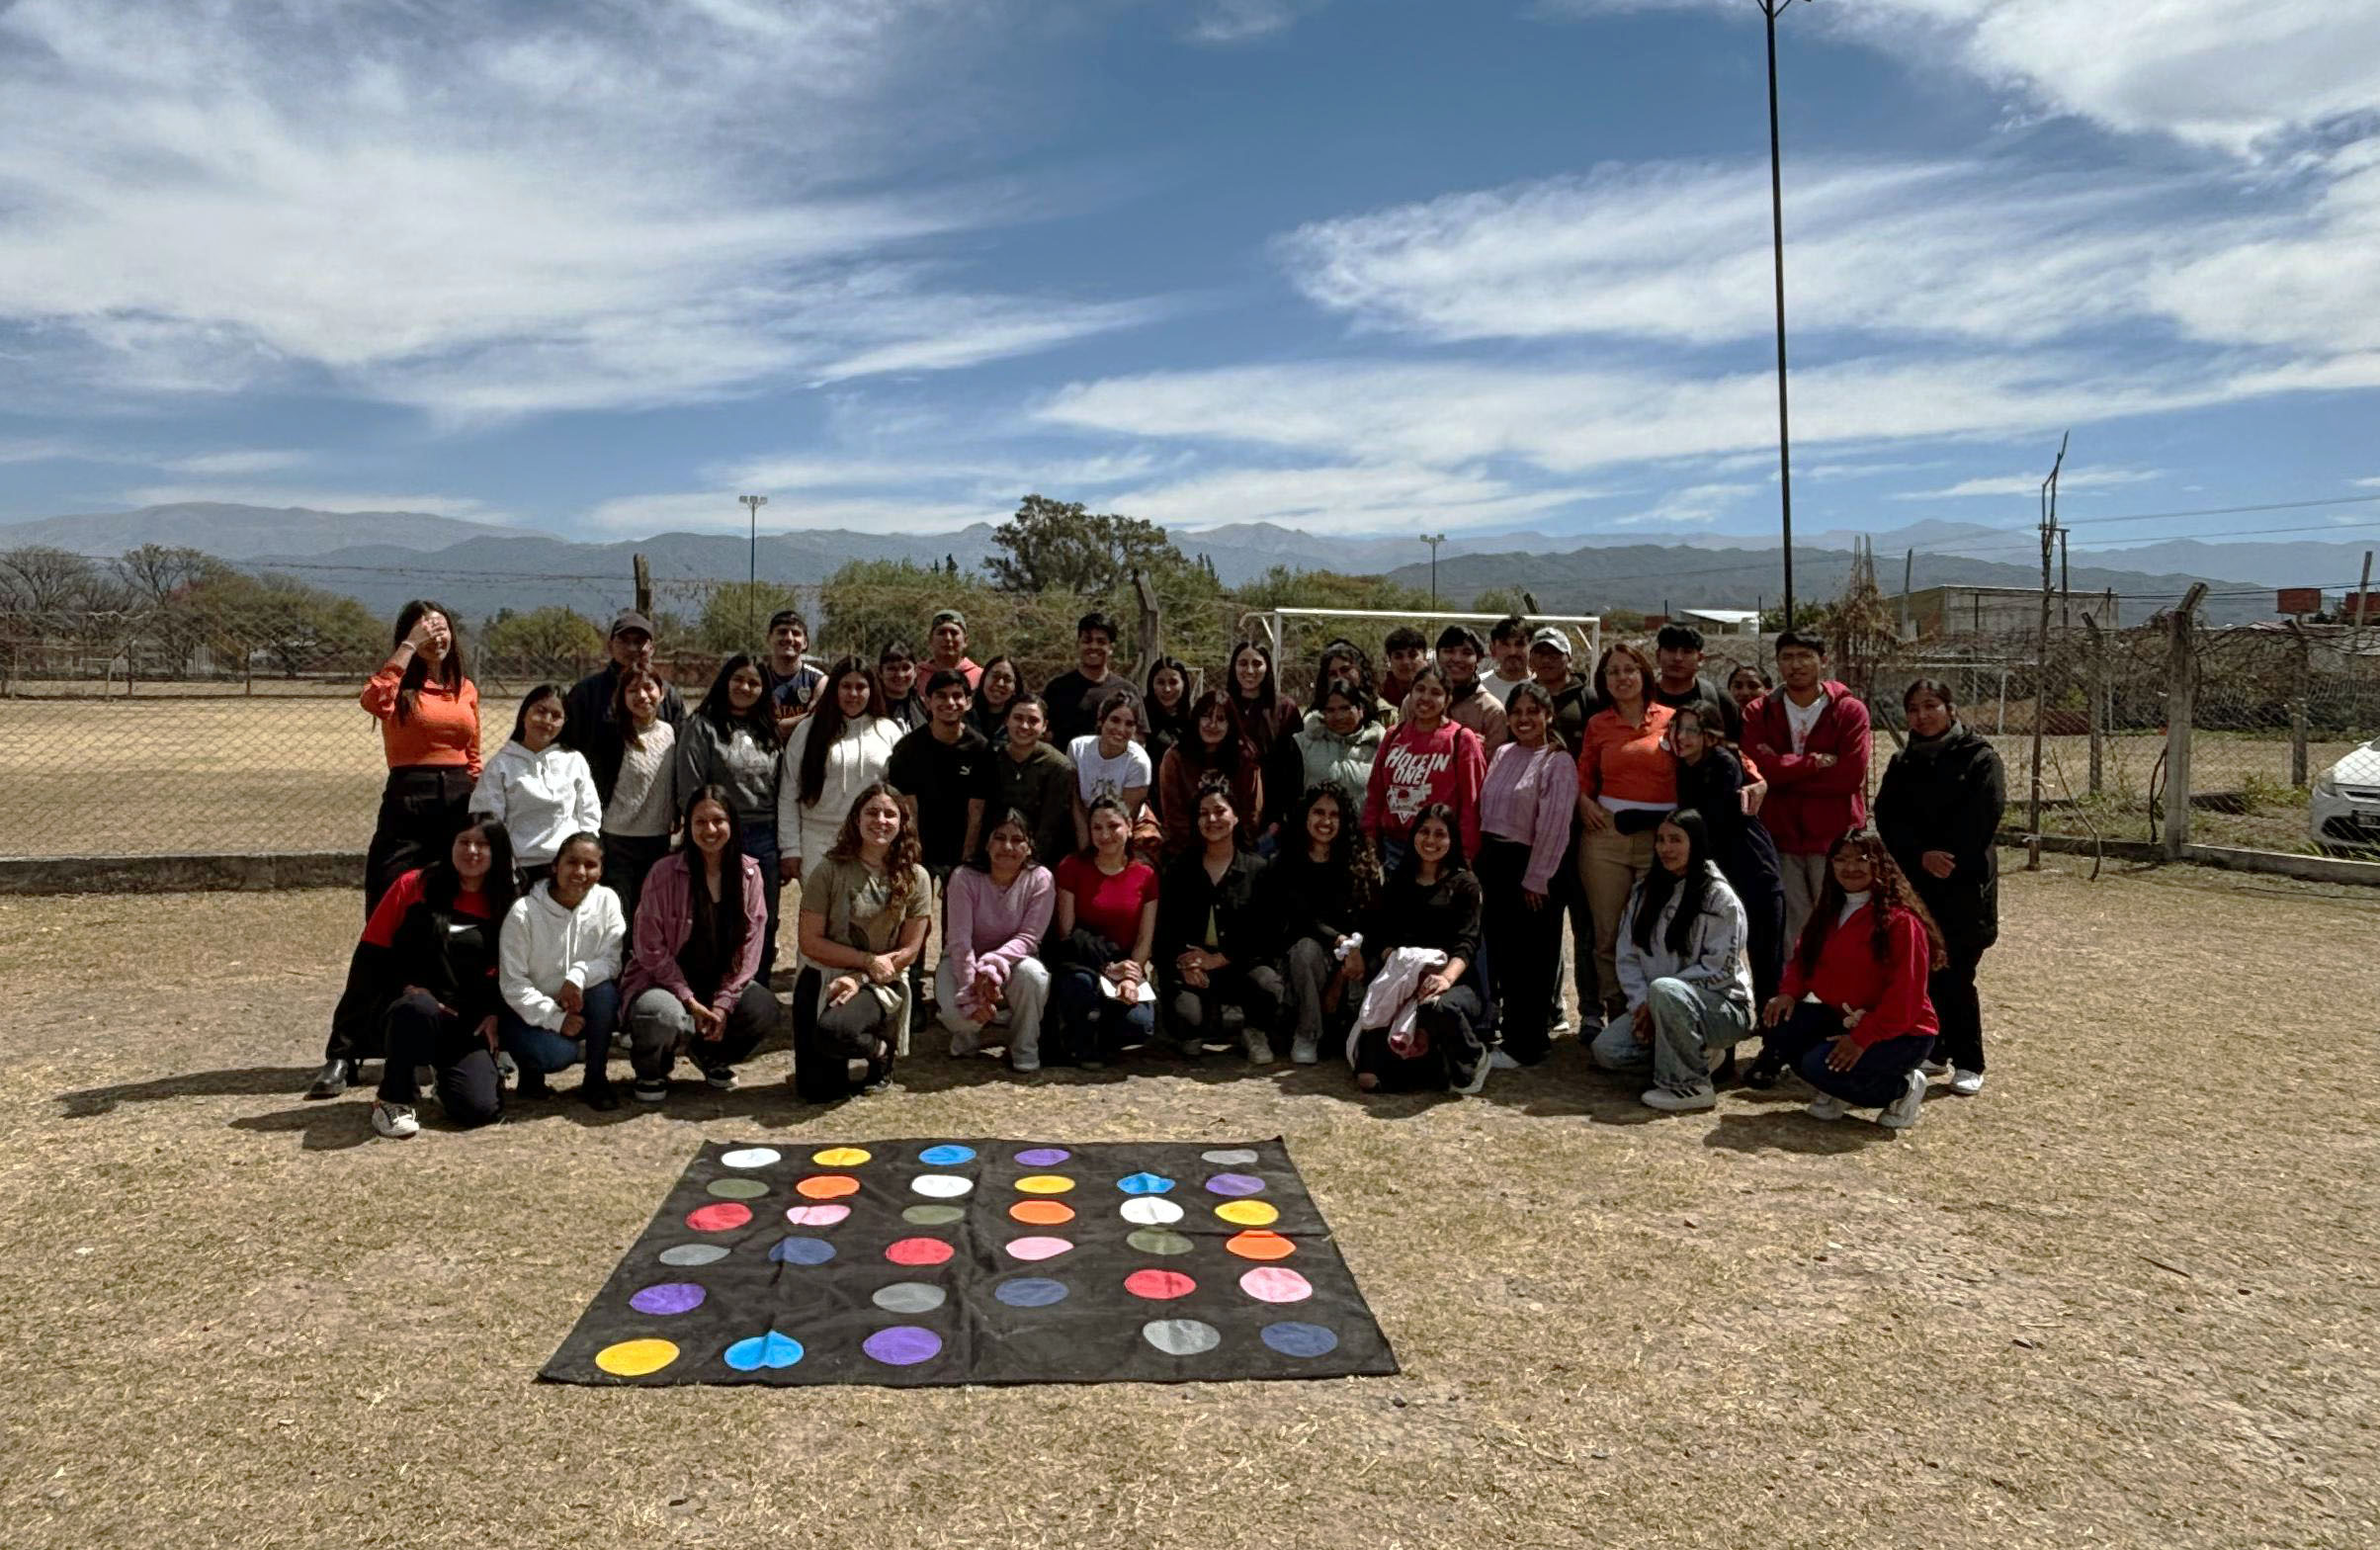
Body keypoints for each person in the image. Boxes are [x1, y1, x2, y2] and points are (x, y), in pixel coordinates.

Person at [1754, 828, 1945, 1130]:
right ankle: (1837, 1088)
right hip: (1844, 1018)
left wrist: (1861, 1039)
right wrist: (1789, 992)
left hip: (1900, 1033)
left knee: (1818, 1065)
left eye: (1861, 859)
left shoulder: (1901, 922)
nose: (1850, 867)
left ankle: (1903, 1089)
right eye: (1841, 859)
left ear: (1879, 864)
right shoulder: (1829, 911)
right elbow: (1803, 959)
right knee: (1780, 1024)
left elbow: (1905, 998)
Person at [1874, 678, 2005, 1096]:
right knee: (1927, 968)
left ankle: (1969, 1060)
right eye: (1913, 709)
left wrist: (1945, 857)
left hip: (1964, 882)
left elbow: (1984, 815)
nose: (1922, 715)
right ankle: (1937, 1048)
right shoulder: (1902, 762)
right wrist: (1920, 855)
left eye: (1931, 705)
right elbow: (1888, 817)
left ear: (1951, 709)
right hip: (1919, 883)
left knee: (1958, 973)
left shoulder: (1980, 758)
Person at [1589, 810, 1756, 1112]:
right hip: (1656, 1004)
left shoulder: (1719, 898)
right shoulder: (1644, 892)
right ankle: (1698, 1055)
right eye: (1661, 840)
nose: (1666, 848)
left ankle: (1689, 1085)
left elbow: (1719, 969)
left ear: (1696, 843)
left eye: (1676, 840)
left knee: (1666, 990)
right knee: (1607, 1050)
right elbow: (1628, 956)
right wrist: (1643, 1004)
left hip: (1722, 1008)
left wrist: (1663, 999)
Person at [364, 818, 521, 1138]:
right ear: (450, 845)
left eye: (483, 844)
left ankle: (446, 1083)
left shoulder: (509, 901)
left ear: (498, 851)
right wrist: (405, 988)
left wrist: (495, 1013)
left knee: (479, 1110)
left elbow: (514, 968)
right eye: (463, 841)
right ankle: (392, 1098)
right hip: (411, 1010)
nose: (472, 850)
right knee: (416, 1008)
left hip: (467, 1022)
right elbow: (372, 955)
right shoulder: (413, 885)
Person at [623, 786, 775, 1104]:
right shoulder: (664, 873)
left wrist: (723, 1004)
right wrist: (688, 1000)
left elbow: (750, 949)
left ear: (732, 824)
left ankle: (710, 1054)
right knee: (661, 1015)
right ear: (687, 826)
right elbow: (649, 947)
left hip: (716, 983)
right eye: (700, 822)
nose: (710, 830)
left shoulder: (749, 874)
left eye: (718, 820)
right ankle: (652, 1068)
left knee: (762, 1007)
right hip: (662, 983)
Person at [791, 783, 931, 1099]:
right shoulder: (828, 870)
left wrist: (861, 976)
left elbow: (909, 950)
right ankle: (861, 1048)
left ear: (902, 823)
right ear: (856, 819)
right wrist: (863, 961)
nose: (880, 820)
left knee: (835, 1031)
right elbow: (809, 942)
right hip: (824, 973)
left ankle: (882, 1049)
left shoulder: (917, 877)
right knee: (817, 1093)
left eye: (889, 814)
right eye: (872, 812)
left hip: (882, 978)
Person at [1744, 631, 1873, 951]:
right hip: (1781, 837)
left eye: (1804, 656)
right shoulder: (1759, 711)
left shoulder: (1849, 711)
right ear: (1777, 663)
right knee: (1792, 932)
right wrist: (1813, 763)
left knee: (1842, 924)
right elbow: (1755, 769)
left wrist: (1781, 771)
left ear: (1823, 661)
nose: (1796, 665)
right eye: (1787, 657)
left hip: (1834, 839)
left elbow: (1848, 777)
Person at [1352, 805, 1490, 1096]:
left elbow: (1467, 943)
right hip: (1402, 981)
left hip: (1451, 982)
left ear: (1452, 840)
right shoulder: (1398, 881)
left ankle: (1474, 1056)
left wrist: (1444, 978)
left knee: (1437, 1006)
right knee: (1367, 1079)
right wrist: (1402, 964)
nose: (1431, 840)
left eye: (1440, 834)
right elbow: (1379, 935)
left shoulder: (1466, 885)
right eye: (1424, 831)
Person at [1574, 642, 1677, 1026]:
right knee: (1607, 932)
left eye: (1629, 669)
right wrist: (1583, 802)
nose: (1622, 677)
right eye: (1613, 671)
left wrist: (1753, 778)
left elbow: (1710, 753)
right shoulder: (1598, 724)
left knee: (1654, 928)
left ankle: (1656, 1011)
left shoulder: (1672, 719)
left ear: (1644, 674)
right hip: (1606, 838)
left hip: (1660, 840)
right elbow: (1584, 771)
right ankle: (1618, 1013)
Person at [360, 599, 482, 912]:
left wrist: (479, 800)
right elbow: (374, 701)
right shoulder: (397, 686)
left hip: (459, 796)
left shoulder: (465, 688)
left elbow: (473, 755)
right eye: (425, 631)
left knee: (450, 890)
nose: (435, 638)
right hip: (410, 795)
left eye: (440, 629)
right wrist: (410, 645)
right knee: (389, 885)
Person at [1477, 682, 1574, 1067]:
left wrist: (1537, 877)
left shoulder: (1557, 761)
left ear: (1548, 715)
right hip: (1495, 863)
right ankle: (1512, 1032)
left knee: (1531, 959)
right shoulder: (1502, 753)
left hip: (1533, 867)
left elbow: (1555, 825)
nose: (1524, 719)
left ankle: (1527, 1043)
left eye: (1533, 711)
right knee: (1504, 953)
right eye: (1516, 712)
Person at [886, 668, 990, 1027]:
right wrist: (915, 857)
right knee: (915, 923)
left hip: (962, 852)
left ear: (969, 702)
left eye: (957, 696)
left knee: (957, 928)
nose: (950, 703)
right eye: (941, 696)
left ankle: (953, 992)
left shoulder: (979, 748)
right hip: (918, 850)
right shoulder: (909, 749)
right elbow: (908, 809)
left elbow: (977, 811)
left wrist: (965, 861)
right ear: (927, 702)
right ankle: (911, 995)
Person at [496, 831, 627, 1108]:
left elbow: (612, 962)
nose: (580, 872)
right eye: (572, 862)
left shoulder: (607, 901)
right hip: (527, 1013)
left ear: (601, 871)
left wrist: (578, 975)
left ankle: (596, 1079)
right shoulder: (524, 912)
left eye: (590, 865)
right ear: (555, 866)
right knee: (557, 1054)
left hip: (579, 1003)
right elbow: (513, 985)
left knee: (604, 993)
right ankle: (531, 1072)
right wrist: (555, 1018)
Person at [1155, 777, 1281, 1063]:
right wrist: (1183, 964)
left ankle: (1254, 1030)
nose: (1212, 819)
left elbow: (1268, 934)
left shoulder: (1258, 869)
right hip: (1193, 967)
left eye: (1220, 811)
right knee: (1187, 1018)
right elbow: (1164, 933)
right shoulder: (1179, 870)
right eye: (1203, 813)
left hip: (1239, 966)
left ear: (1235, 816)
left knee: (1268, 984)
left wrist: (1220, 958)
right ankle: (1202, 1024)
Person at [678, 653, 789, 978]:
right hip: (718, 836)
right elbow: (690, 787)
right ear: (725, 681)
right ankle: (715, 987)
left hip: (764, 835)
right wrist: (703, 831)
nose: (745, 687)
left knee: (762, 918)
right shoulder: (702, 726)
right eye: (738, 679)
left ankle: (757, 987)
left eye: (754, 682)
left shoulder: (767, 729)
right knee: (718, 917)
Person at [1671, 701, 1785, 1008]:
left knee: (1766, 958)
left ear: (1710, 735)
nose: (1681, 736)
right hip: (1720, 872)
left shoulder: (1724, 762)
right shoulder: (1685, 767)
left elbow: (1707, 819)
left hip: (1753, 869)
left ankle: (1772, 1026)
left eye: (1692, 730)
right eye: (1677, 729)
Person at [1268, 781, 1382, 1065]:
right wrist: (1341, 942)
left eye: (1334, 815)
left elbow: (1369, 919)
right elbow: (1300, 920)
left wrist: (1347, 961)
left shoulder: (1360, 861)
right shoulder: (1285, 862)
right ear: (1305, 815)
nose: (1326, 821)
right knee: (1305, 950)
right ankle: (1307, 1034)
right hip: (1306, 959)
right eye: (1319, 812)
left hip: (1352, 959)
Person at [938, 810, 1057, 1072]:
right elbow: (959, 940)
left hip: (1014, 962)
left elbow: (1028, 937)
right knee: (959, 1016)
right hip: (963, 961)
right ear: (987, 843)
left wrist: (992, 965)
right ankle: (967, 1036)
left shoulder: (1040, 879)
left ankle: (1024, 1046)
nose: (1008, 847)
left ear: (1029, 847)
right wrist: (972, 993)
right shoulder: (963, 877)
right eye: (1000, 838)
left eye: (1017, 840)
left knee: (1034, 976)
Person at [1048, 796, 1159, 1067]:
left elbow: (1145, 937)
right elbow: (1066, 932)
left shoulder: (1146, 874)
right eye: (1097, 828)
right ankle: (1078, 1037)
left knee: (1139, 1026)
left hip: (1125, 964)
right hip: (1082, 960)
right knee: (1080, 987)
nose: (1105, 835)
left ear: (1129, 826)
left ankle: (1097, 1032)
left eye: (1113, 826)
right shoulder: (1071, 867)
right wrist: (1108, 967)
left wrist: (1131, 975)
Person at [1528, 626, 1599, 1034]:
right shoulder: (1525, 699)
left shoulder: (1588, 700)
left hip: (1582, 831)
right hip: (1536, 832)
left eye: (1554, 653)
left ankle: (1591, 1011)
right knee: (1542, 927)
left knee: (1586, 927)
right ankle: (1544, 1008)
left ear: (1569, 658)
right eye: (1540, 652)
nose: (1547, 659)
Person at [778, 655, 900, 892]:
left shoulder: (888, 731)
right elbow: (788, 792)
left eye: (860, 687)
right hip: (816, 840)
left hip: (871, 840)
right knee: (820, 912)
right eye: (846, 686)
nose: (853, 694)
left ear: (872, 690)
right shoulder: (808, 730)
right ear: (834, 688)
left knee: (866, 911)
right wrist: (790, 848)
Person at [470, 683, 601, 885]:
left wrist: (581, 858)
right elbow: (488, 822)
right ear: (524, 714)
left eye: (556, 716)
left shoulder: (574, 761)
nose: (547, 720)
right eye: (540, 711)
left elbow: (589, 815)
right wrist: (506, 866)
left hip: (565, 867)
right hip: (518, 869)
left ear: (564, 722)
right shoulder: (501, 765)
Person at [1362, 664, 1485, 874]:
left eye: (1435, 692)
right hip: (1393, 848)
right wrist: (1370, 835)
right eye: (1420, 689)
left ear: (1448, 699)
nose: (1425, 698)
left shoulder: (1461, 739)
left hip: (1438, 850)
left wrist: (1466, 852)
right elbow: (1376, 792)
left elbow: (1471, 802)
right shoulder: (1393, 735)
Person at [562, 609, 687, 807]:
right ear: (610, 646)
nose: (631, 648)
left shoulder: (668, 696)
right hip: (596, 805)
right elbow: (567, 750)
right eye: (624, 641)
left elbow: (681, 755)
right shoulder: (586, 693)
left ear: (652, 648)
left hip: (655, 810)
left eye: (639, 641)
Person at [599, 665, 676, 926]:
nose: (642, 696)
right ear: (622, 696)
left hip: (658, 837)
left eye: (648, 688)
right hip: (617, 839)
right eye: (632, 690)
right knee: (620, 914)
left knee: (651, 912)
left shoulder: (673, 734)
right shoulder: (611, 735)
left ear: (662, 693)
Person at [1156, 690, 1262, 860]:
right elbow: (1173, 815)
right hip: (1186, 849)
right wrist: (1203, 850)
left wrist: (1228, 848)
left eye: (1220, 719)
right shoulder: (1175, 757)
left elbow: (1251, 813)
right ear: (1197, 719)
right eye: (1206, 717)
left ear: (1230, 724)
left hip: (1234, 848)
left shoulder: (1244, 758)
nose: (1212, 725)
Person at [979, 693, 1078, 869]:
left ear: (1044, 726)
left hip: (1039, 863)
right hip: (995, 856)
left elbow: (1050, 825)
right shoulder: (993, 760)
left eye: (1033, 720)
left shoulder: (1058, 767)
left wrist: (1029, 864)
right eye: (1018, 718)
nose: (1024, 726)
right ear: (1006, 720)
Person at [1280, 678, 1384, 829]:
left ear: (1360, 709)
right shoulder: (1302, 744)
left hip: (1362, 834)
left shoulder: (1380, 746)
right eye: (1330, 710)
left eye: (1345, 708)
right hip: (1314, 834)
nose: (1339, 716)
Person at [1068, 688, 1152, 848]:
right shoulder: (1078, 749)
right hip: (1084, 824)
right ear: (1101, 720)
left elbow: (1125, 816)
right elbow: (1075, 802)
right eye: (1114, 720)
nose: (1121, 729)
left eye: (1129, 724)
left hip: (1123, 829)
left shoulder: (1139, 763)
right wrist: (1085, 845)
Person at [1043, 611, 1126, 747]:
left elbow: (1139, 741)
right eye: (1087, 640)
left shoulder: (1127, 691)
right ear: (1078, 644)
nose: (1093, 646)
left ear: (1111, 647)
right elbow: (1044, 737)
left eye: (1101, 641)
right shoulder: (1057, 689)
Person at [1226, 641, 1302, 763]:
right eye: (1243, 663)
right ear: (1234, 667)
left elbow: (1295, 758)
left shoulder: (1286, 708)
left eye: (1257, 664)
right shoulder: (1223, 705)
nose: (1250, 670)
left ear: (1267, 667)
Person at [1436, 625, 1509, 751]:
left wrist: (1479, 749)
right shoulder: (1417, 701)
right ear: (1437, 656)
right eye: (1449, 651)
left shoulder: (1491, 710)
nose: (1457, 659)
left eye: (1466, 653)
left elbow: (1497, 759)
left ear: (1478, 659)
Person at [765, 609, 827, 743]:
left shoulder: (819, 681)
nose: (789, 638)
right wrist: (806, 717)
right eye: (782, 632)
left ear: (805, 643)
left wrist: (770, 725)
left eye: (796, 633)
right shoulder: (757, 678)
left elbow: (816, 722)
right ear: (769, 638)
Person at [1141, 655, 1196, 789]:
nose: (1167, 689)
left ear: (1184, 684)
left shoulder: (1194, 721)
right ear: (1151, 685)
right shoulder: (1140, 719)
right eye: (1160, 682)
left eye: (1173, 682)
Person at [968, 654, 1026, 743]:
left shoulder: (1023, 721)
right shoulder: (964, 711)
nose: (1000, 683)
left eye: (1007, 679)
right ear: (984, 678)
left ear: (1015, 687)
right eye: (995, 676)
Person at [877, 640, 928, 734]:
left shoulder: (924, 706)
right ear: (880, 672)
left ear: (915, 671)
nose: (900, 675)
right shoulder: (873, 708)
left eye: (906, 668)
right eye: (892, 668)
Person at [925, 609, 982, 690]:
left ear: (965, 641)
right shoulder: (915, 675)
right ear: (930, 640)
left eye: (954, 633)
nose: (948, 638)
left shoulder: (981, 678)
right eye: (941, 632)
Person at [1379, 625, 1428, 714]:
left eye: (1412, 655)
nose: (1405, 662)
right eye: (1398, 656)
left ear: (1424, 657)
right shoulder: (1378, 693)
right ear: (1389, 660)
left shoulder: (1440, 690)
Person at [1488, 614, 1534, 706]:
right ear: (1493, 649)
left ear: (1531, 647)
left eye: (1519, 644)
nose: (1512, 652)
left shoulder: (1543, 686)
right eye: (1505, 645)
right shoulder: (1479, 688)